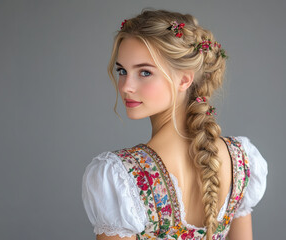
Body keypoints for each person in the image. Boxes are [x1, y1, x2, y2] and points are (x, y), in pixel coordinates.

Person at [81, 9, 268, 240]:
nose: (126, 86)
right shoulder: (240, 160)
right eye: (122, 70)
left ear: (184, 79)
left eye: (145, 72)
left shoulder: (122, 176)